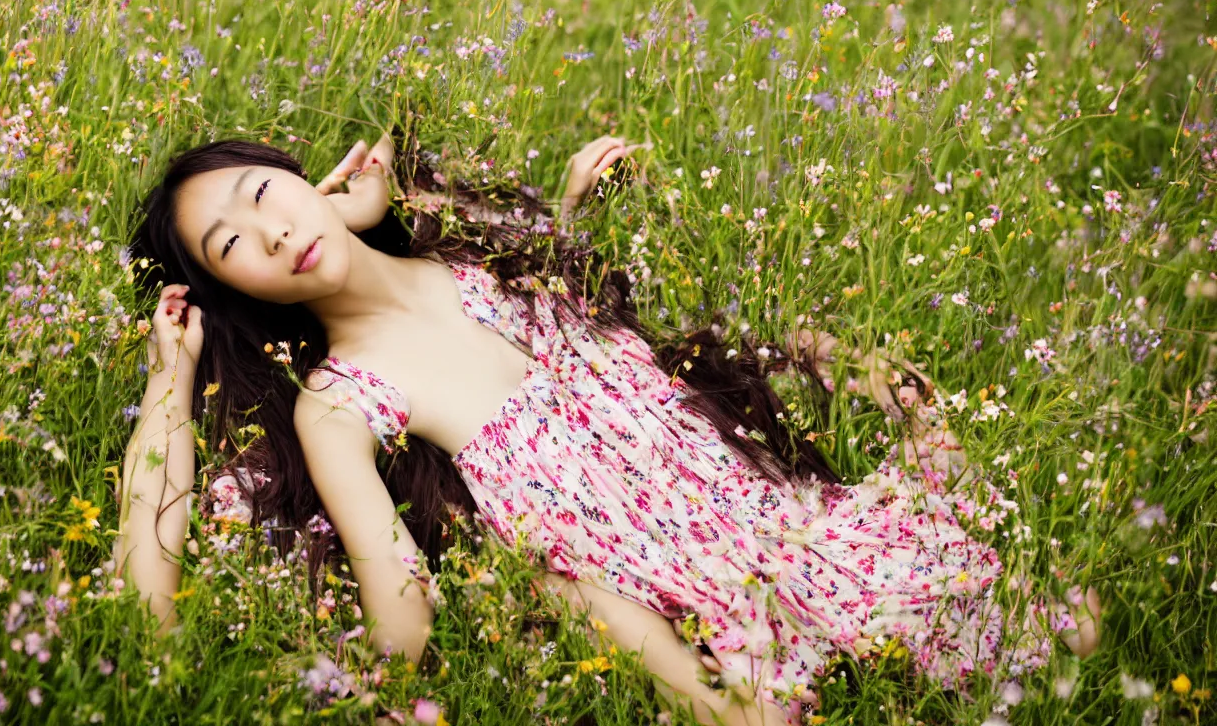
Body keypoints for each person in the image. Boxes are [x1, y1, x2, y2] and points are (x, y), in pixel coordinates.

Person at [115, 124, 1101, 726]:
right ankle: (719, 709)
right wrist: (173, 383)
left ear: (304, 177)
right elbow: (397, 593)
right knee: (555, 572)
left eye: (264, 194)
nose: (274, 231)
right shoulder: (334, 402)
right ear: (233, 287)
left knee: (1044, 623)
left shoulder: (459, 252)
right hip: (654, 565)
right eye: (230, 244)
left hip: (741, 493)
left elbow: (564, 270)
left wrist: (377, 199)